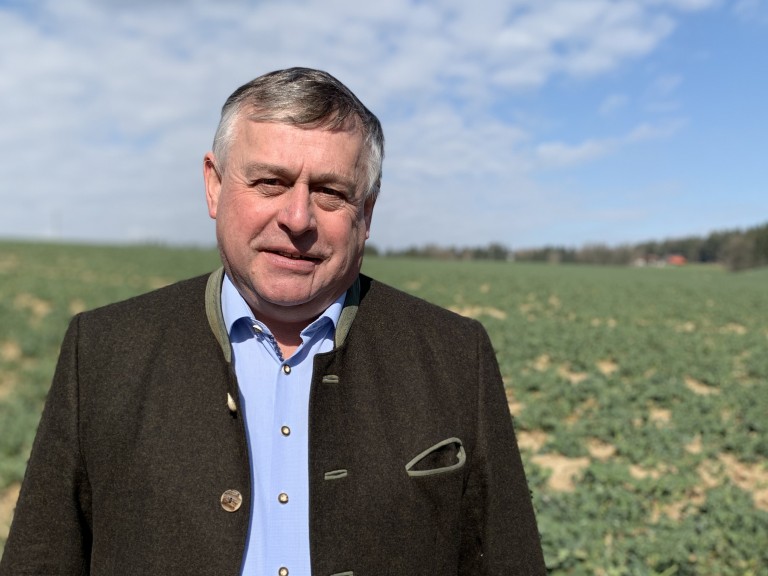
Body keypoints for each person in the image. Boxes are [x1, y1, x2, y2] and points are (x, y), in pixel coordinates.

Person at [0, 67, 545, 575]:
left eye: (331, 192)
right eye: (269, 182)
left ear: (368, 213)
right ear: (214, 186)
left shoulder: (455, 353)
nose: (298, 218)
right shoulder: (104, 349)